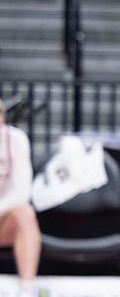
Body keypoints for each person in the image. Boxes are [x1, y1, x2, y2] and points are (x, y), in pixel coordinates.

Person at [0, 102, 40, 297]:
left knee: (25, 213)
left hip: (3, 221)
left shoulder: (15, 139)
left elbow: (21, 193)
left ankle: (26, 289)